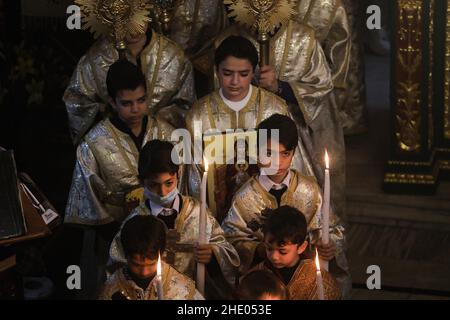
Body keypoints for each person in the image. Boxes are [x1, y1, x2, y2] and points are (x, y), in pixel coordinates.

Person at [213, 16, 347, 222]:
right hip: (237, 135)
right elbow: (217, 98)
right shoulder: (227, 39)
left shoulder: (304, 38)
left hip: (288, 134)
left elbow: (322, 87)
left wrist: (280, 87)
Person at [64, 60, 174, 298]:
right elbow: (88, 201)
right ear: (112, 102)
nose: (135, 109)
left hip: (164, 232)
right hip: (115, 233)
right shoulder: (93, 143)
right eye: (126, 103)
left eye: (141, 100)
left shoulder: (166, 132)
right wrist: (120, 236)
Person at [185, 35, 313, 222]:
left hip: (267, 218)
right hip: (215, 218)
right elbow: (193, 177)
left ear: (254, 72)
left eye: (244, 74)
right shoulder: (198, 115)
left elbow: (291, 163)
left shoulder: (274, 107)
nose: (235, 82)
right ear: (216, 71)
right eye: (227, 73)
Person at [222, 114, 350, 294]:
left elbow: (333, 228)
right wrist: (260, 249)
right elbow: (231, 241)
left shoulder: (309, 190)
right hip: (264, 283)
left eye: (285, 154)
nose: (277, 162)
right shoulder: (244, 197)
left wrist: (329, 244)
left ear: (294, 153)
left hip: (305, 281)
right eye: (269, 153)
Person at [109, 140, 240, 299]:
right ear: (141, 182)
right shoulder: (135, 222)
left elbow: (227, 250)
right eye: (153, 185)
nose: (163, 192)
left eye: (169, 183)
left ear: (178, 174)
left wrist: (213, 254)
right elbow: (118, 268)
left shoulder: (197, 212)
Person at [64, 4, 195, 145]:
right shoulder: (95, 59)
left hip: (162, 144)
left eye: (139, 12)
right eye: (126, 16)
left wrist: (155, 122)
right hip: (113, 145)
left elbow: (186, 105)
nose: (135, 25)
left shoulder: (173, 56)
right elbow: (78, 103)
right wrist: (110, 117)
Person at [99, 214, 203, 300]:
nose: (144, 272)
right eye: (136, 264)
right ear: (125, 256)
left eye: (151, 264)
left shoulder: (182, 288)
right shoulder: (111, 288)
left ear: (160, 256)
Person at [248, 206, 341, 300]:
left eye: (282, 251)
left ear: (301, 247)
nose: (274, 256)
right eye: (269, 248)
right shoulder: (256, 277)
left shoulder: (318, 280)